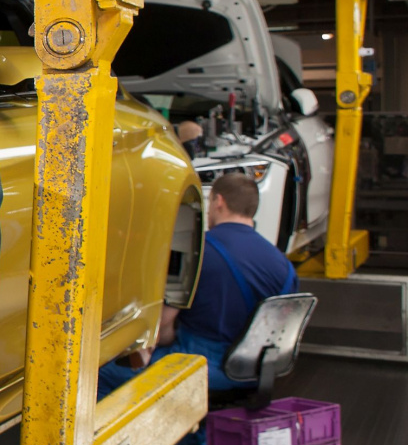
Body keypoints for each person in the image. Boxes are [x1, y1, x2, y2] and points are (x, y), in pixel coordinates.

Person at [100, 171, 298, 399]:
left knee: (104, 373)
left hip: (202, 364)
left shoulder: (197, 251)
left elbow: (163, 327)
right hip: (256, 369)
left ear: (218, 201)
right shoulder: (282, 263)